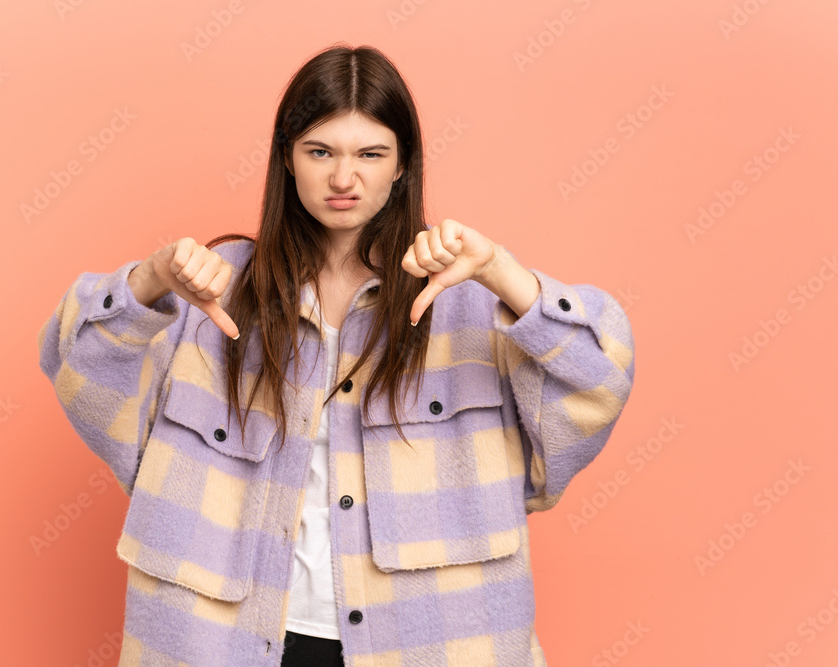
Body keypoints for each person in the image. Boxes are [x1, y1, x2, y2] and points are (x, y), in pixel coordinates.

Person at [37, 43, 635, 667]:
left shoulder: (469, 299)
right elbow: (77, 366)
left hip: (433, 642)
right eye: (319, 151)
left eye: (370, 154)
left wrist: (501, 271)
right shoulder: (212, 292)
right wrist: (150, 280)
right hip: (225, 642)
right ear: (287, 160)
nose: (343, 179)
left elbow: (598, 381)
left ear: (403, 165)